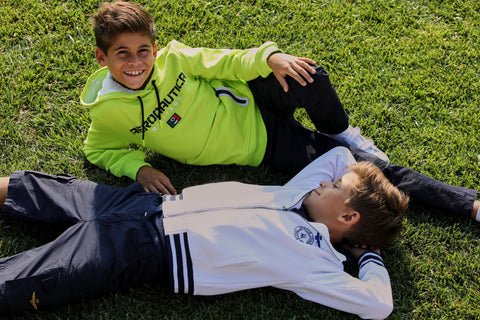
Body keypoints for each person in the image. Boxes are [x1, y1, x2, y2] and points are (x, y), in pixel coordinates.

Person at [81, 1, 479, 222]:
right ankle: (471, 204)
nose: (136, 63)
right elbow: (100, 150)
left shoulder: (175, 59)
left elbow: (225, 62)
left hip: (254, 97)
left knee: (309, 75)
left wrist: (271, 57)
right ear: (103, 57)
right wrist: (140, 168)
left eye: (143, 51)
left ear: (154, 48)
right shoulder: (109, 114)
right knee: (363, 167)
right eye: (122, 54)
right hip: (263, 145)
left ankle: (340, 132)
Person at [0, 147, 408, 318]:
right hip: (144, 204)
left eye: (336, 187)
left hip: (142, 252)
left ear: (349, 219)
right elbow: (340, 156)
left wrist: (367, 256)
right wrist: (367, 179)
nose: (326, 182)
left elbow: (378, 304)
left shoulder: (313, 262)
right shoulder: (295, 194)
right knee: (38, 188)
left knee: (26, 282)